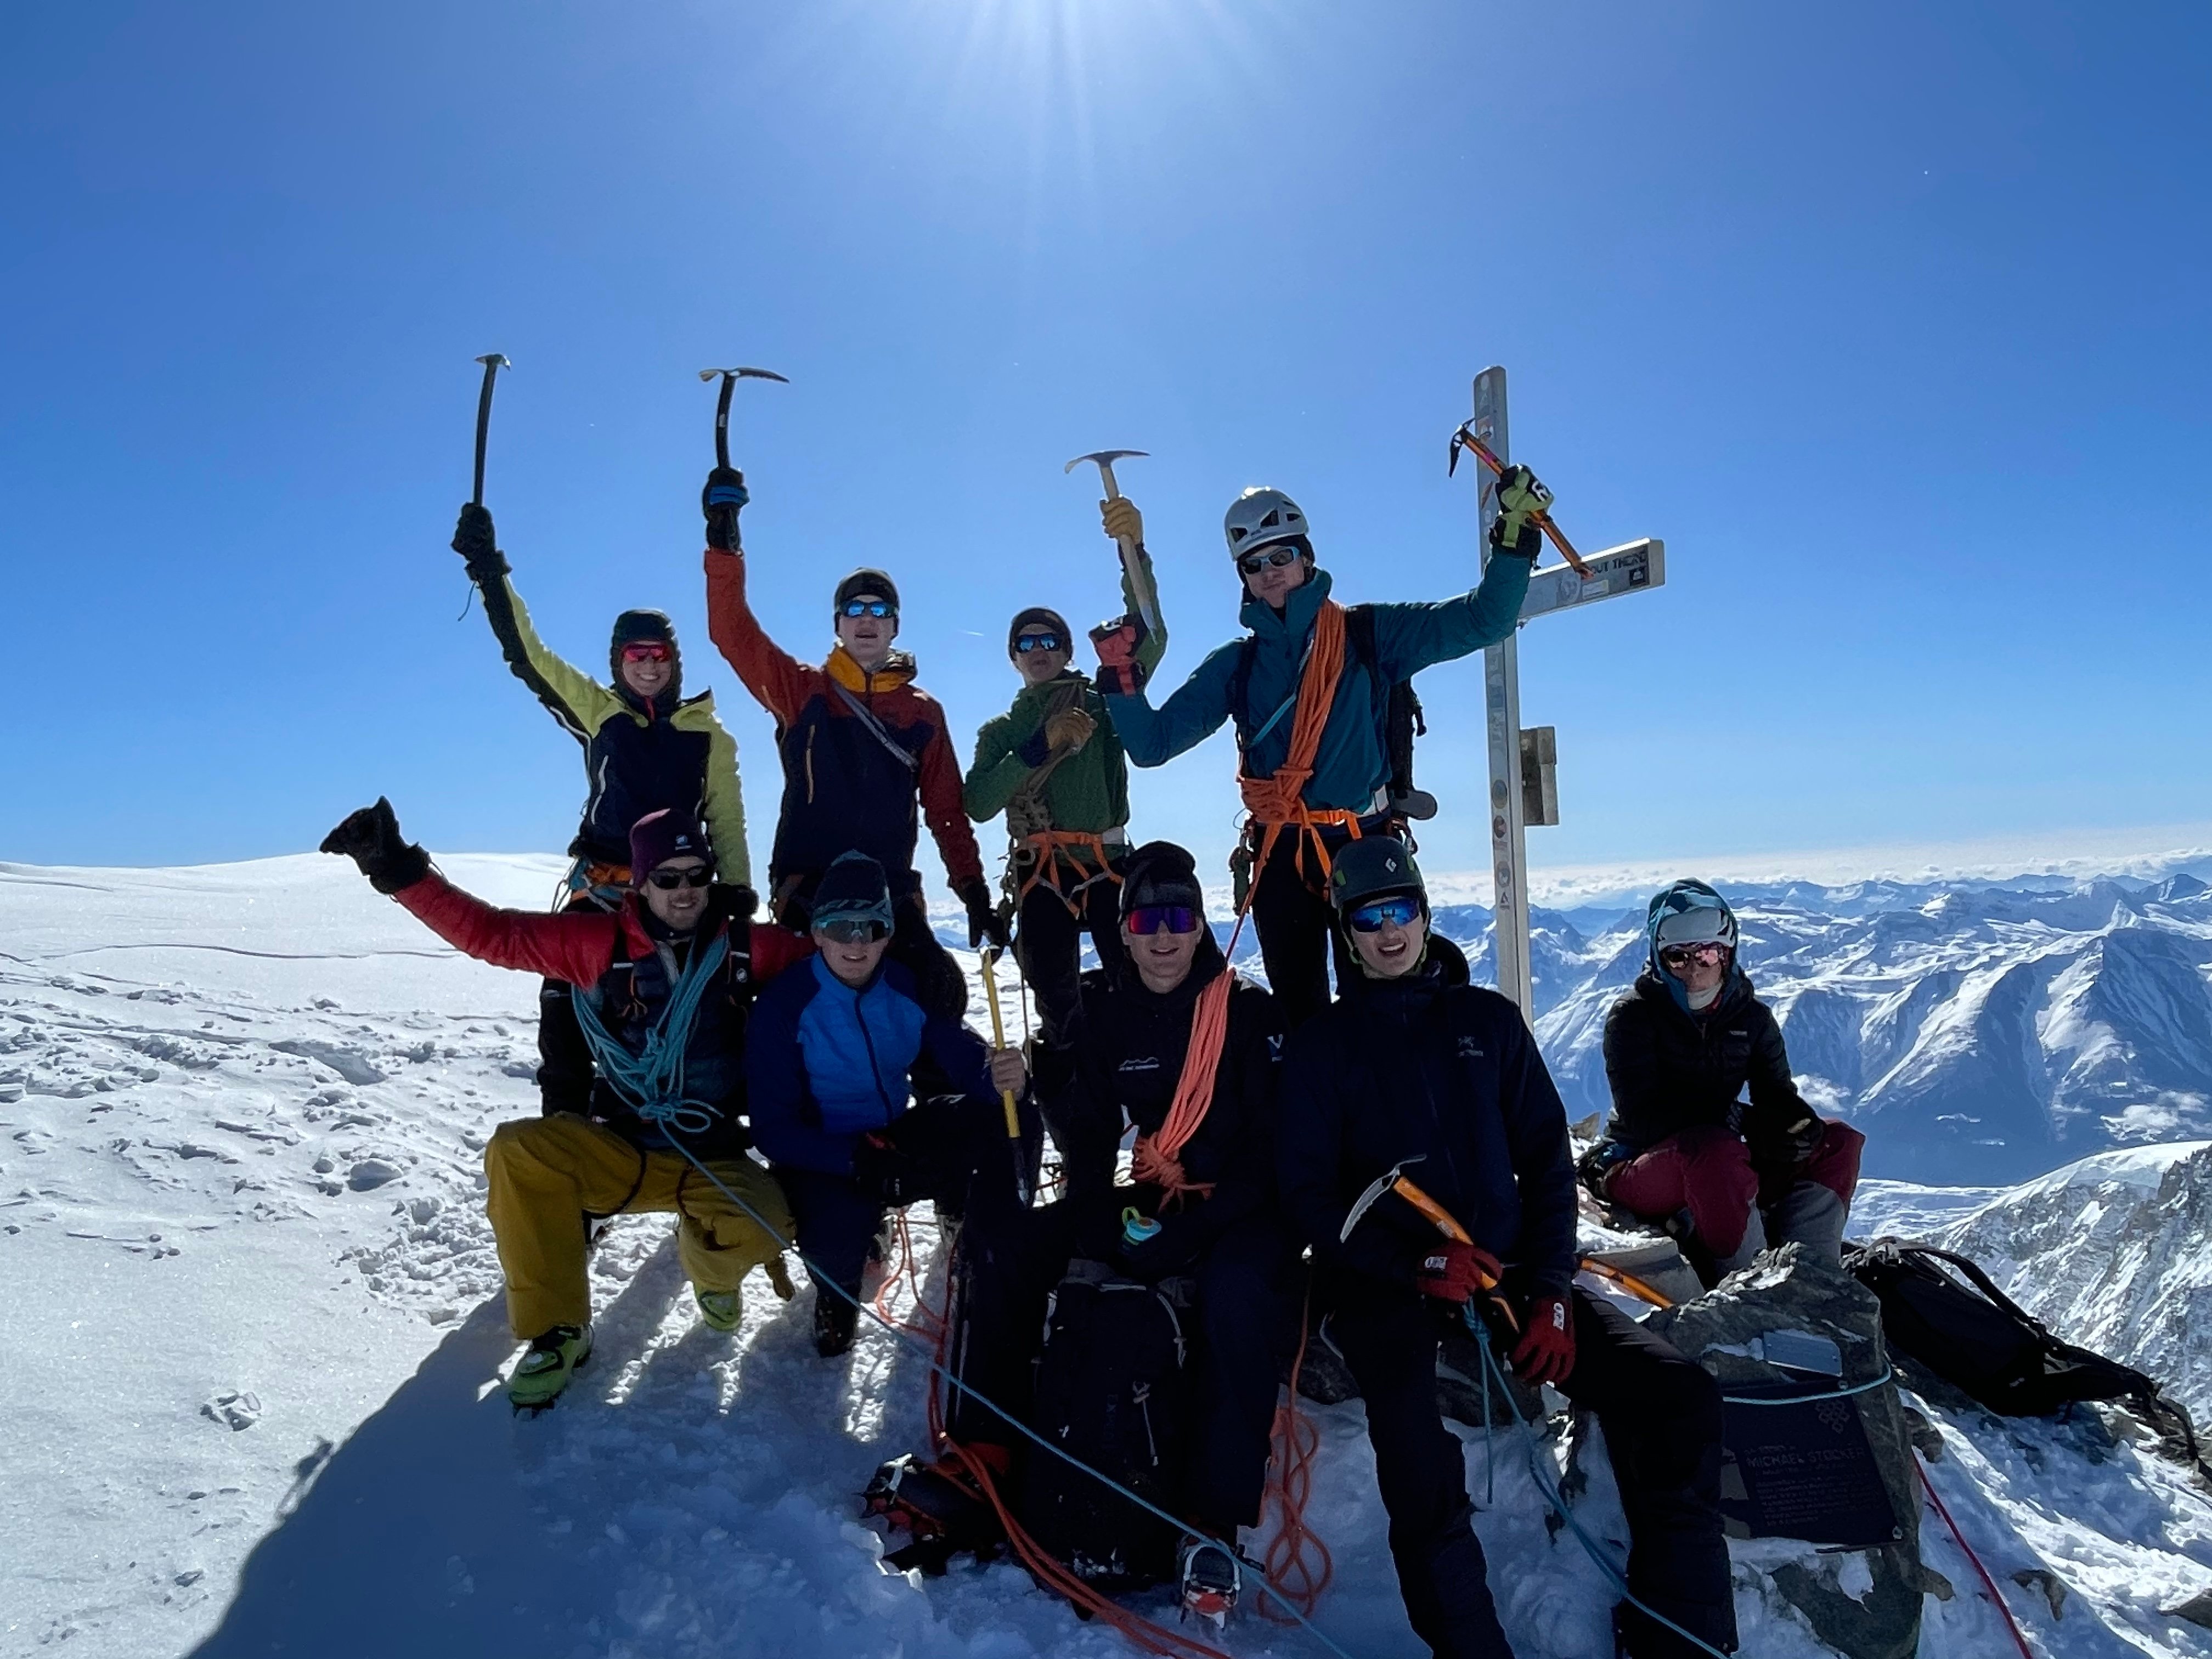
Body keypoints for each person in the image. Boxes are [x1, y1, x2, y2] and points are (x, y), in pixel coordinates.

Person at [1278, 838, 1737, 1659]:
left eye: (1402, 911)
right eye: (1368, 917)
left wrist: (1554, 1288)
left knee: (1679, 1398)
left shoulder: (1487, 1022)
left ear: (1425, 912)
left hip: (1509, 1267)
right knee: (1419, 1453)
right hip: (1387, 1286)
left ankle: (1682, 1637)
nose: (1390, 932)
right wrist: (1412, 1265)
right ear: (1346, 932)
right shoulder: (1324, 1047)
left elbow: (1546, 1161)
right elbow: (1310, 1200)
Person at [319, 800, 802, 1412]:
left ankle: (707, 1267)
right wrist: (397, 869)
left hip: (709, 1150)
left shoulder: (744, 947)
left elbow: (840, 960)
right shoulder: (595, 943)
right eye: (668, 878)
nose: (684, 892)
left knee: (767, 1223)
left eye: (697, 876)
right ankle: (558, 1329)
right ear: (641, 882)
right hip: (622, 1148)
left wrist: (913, 962)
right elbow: (492, 934)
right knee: (519, 1153)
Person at [938, 841, 1294, 1612]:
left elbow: (1270, 1157)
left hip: (1237, 1206)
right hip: (1151, 1198)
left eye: (1179, 917)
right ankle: (986, 1451)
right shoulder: (1103, 1013)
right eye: (1146, 918)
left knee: (1235, 1293)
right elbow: (1093, 1136)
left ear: (1201, 926)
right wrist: (1095, 1211)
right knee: (1010, 1250)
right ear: (1124, 931)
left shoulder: (1247, 1012)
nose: (1163, 936)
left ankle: (1213, 1521)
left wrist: (1190, 1237)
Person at [1088, 477, 1544, 1029]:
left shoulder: (1369, 634)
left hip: (1362, 843)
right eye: (1254, 565)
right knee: (1300, 1017)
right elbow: (1152, 745)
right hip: (1283, 852)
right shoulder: (1238, 665)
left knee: (1385, 1010)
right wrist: (1120, 677)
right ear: (1244, 580)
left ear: (1307, 557)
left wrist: (1515, 536)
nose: (1270, 571)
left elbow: (1484, 619)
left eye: (1281, 555)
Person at [449, 502, 752, 1117]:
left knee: (709, 1007)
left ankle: (706, 1128)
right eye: (634, 654)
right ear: (618, 662)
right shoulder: (600, 713)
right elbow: (529, 656)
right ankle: (567, 1129)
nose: (647, 664)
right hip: (603, 890)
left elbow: (726, 818)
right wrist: (490, 570)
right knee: (562, 997)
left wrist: (738, 895)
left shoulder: (710, 735)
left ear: (674, 661)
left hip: (678, 895)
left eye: (658, 654)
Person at [699, 467, 997, 1019]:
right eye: (855, 609)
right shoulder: (801, 691)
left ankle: (929, 1105)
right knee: (802, 1014)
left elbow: (946, 812)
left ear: (895, 627)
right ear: (838, 623)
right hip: (808, 889)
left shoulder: (922, 713)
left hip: (890, 896)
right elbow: (732, 632)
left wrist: (972, 889)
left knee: (936, 994)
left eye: (879, 610)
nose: (867, 619)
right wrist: (724, 544)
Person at [745, 851, 1030, 1358]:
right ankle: (838, 1289)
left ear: (887, 933)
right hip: (825, 1153)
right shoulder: (783, 1007)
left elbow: (961, 1056)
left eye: (871, 927)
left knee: (1012, 1116)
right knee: (834, 1234)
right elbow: (772, 1129)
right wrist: (855, 1160)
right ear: (817, 931)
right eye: (840, 926)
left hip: (894, 1134)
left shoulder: (904, 985)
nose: (856, 943)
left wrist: (998, 1075)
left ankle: (982, 1236)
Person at [1581, 879, 1865, 1284]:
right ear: (1660, 959)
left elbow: (1777, 1096)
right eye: (1678, 957)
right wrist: (1736, 1119)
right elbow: (1641, 1115)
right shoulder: (1634, 1016)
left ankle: (1814, 1276)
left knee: (1837, 1140)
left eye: (1709, 953)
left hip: (1718, 1158)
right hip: (1638, 1164)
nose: (1696, 967)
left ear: (1727, 954)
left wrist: (1796, 1127)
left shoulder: (1750, 1018)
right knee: (1714, 1150)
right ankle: (1748, 1284)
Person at [963, 606, 1131, 1048]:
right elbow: (978, 803)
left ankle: (1134, 1071)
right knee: (1053, 992)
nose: (1038, 651)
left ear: (1067, 651)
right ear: (1014, 657)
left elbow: (1148, 645)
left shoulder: (1100, 705)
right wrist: (1038, 747)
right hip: (1046, 868)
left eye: (1049, 641)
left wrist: (1134, 558)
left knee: (1132, 978)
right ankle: (1076, 1085)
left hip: (1102, 862)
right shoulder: (1002, 732)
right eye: (1026, 643)